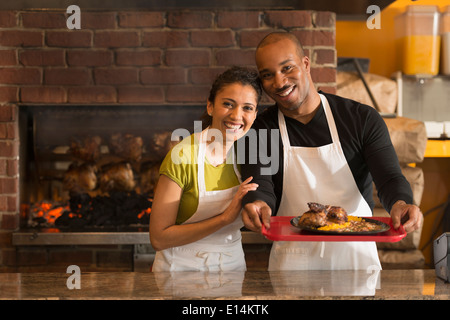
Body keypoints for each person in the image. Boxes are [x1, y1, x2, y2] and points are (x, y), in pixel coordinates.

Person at [240, 31, 423, 270]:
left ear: (306, 64)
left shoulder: (361, 119)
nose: (279, 82)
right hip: (293, 263)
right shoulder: (260, 130)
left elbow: (389, 178)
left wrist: (401, 203)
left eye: (287, 68)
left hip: (355, 258)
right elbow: (260, 186)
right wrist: (257, 204)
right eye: (268, 75)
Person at [150, 66, 261, 272]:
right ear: (210, 106)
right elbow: (158, 238)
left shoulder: (250, 156)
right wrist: (224, 219)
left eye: (247, 108)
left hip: (232, 268)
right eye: (228, 104)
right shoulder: (182, 157)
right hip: (180, 272)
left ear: (255, 114)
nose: (237, 116)